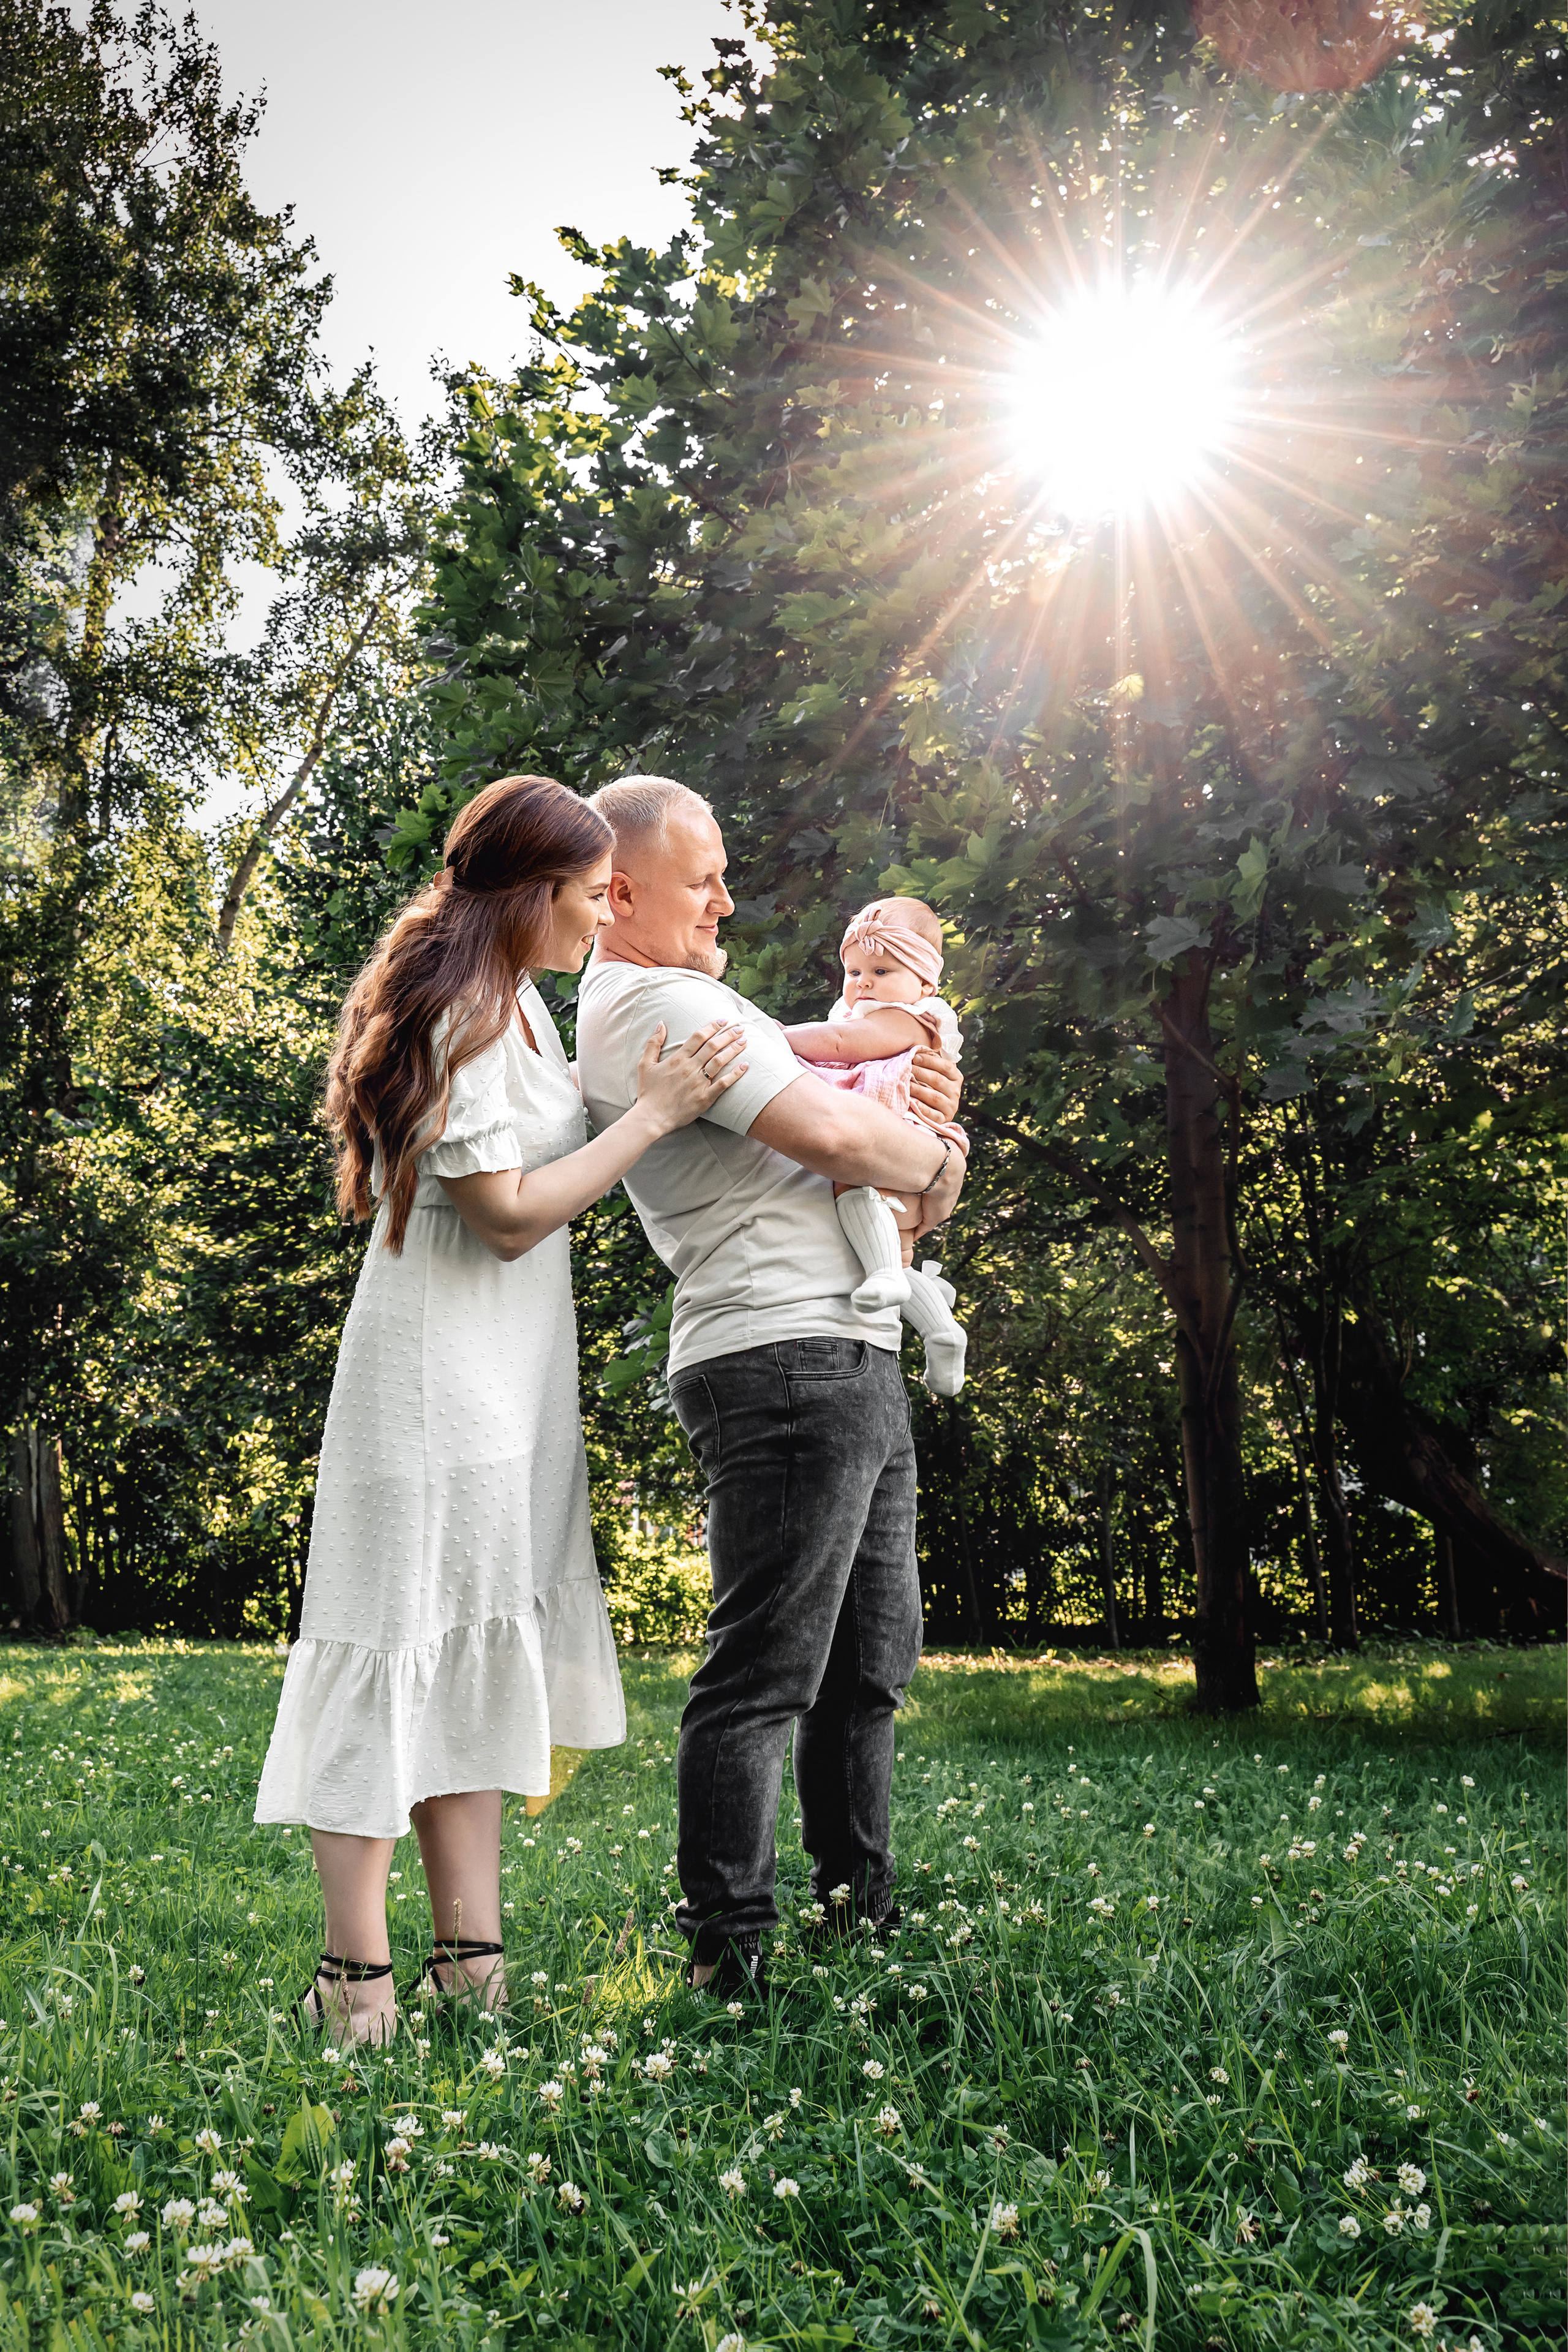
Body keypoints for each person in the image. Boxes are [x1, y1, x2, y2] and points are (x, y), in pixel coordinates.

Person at [254, 774, 745, 2045]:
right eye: (589, 898)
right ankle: (353, 1980)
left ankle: (468, 1958)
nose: (600, 919)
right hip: (429, 1388)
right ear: (533, 896)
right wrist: (653, 1113)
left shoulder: (523, 1002)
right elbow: (513, 1215)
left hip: (506, 1387)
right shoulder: (464, 1012)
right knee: (386, 1647)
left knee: (469, 1649)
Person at [575, 776, 965, 1995]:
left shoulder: (696, 991)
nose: (726, 901)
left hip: (845, 1348)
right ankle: (727, 1962)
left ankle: (857, 1919)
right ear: (618, 892)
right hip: (780, 1353)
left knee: (864, 1670)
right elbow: (846, 1144)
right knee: (762, 1674)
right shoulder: (654, 1001)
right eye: (704, 879)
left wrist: (930, 1162)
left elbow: (902, 1191)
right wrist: (945, 1146)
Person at [778, 895, 970, 1395]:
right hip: (902, 1150)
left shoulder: (911, 1017)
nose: (864, 983)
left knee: (852, 1183)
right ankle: (941, 1330)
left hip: (900, 1135)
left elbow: (843, 1046)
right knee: (899, 1250)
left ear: (925, 982)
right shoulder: (863, 1011)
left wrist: (772, 1036)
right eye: (855, 970)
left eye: (882, 971)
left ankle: (886, 1276)